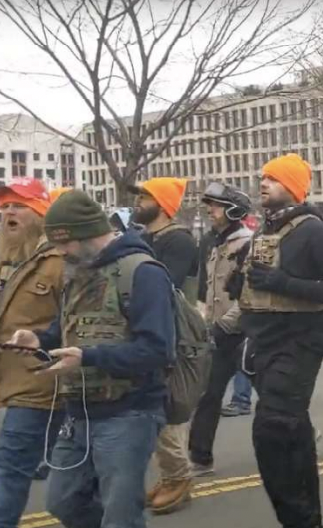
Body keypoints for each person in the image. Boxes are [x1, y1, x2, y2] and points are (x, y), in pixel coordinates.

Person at [14, 190, 174, 528]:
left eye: (65, 243)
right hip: (79, 412)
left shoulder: (143, 272)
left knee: (121, 516)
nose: (61, 252)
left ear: (86, 233)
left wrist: (89, 357)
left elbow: (158, 350)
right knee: (62, 501)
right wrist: (38, 341)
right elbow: (65, 330)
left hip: (129, 413)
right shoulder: (79, 268)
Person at [230, 153, 323, 528]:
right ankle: (307, 520)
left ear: (294, 188)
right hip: (264, 343)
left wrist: (281, 283)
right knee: (292, 432)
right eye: (263, 178)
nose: (263, 183)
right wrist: (241, 282)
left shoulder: (314, 229)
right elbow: (258, 285)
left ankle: (298, 521)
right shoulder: (266, 230)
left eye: (273, 179)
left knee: (271, 431)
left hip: (299, 343)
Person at [131, 176, 200, 514]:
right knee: (156, 409)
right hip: (154, 331)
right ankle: (172, 474)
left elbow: (162, 287)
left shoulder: (179, 242)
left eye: (145, 197)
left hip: (176, 336)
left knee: (168, 410)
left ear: (162, 204)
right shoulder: (147, 238)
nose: (138, 202)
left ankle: (178, 476)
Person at [0, 179, 64, 528]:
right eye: (6, 205)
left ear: (40, 213)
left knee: (11, 469)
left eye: (19, 205)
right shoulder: (4, 255)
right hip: (7, 381)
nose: (9, 212)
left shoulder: (59, 262)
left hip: (39, 385)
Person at [188, 183, 254, 477]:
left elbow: (251, 294)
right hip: (218, 332)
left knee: (274, 391)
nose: (210, 210)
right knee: (209, 393)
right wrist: (204, 320)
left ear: (233, 210)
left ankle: (302, 430)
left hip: (244, 330)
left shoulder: (249, 243)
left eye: (215, 205)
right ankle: (201, 457)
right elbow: (207, 288)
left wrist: (224, 325)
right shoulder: (214, 242)